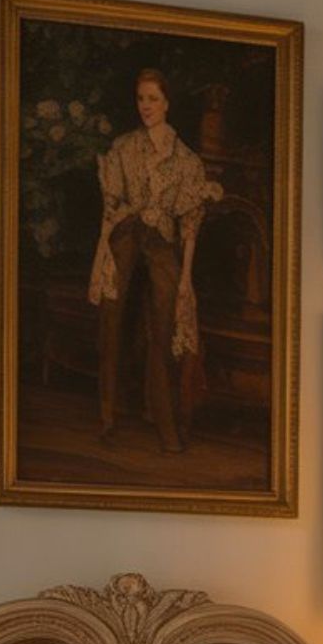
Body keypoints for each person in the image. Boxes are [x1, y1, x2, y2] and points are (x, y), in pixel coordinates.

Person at [87, 68, 221, 451]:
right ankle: (108, 416)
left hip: (162, 242)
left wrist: (185, 278)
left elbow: (190, 225)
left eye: (153, 99)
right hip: (127, 235)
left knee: (164, 326)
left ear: (168, 103)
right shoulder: (125, 148)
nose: (146, 106)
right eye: (141, 99)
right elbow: (111, 206)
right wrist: (113, 237)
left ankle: (164, 422)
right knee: (112, 318)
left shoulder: (185, 160)